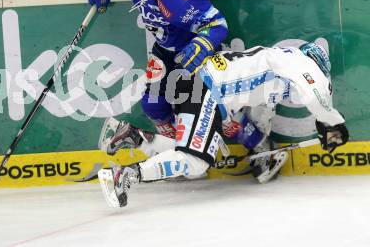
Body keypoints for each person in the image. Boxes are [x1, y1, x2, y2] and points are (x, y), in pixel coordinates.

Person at [98, 42, 349, 207]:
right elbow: (315, 95)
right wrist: (334, 124)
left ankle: (135, 137)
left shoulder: (276, 67)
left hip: (197, 84)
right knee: (195, 162)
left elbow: (262, 109)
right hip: (208, 90)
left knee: (190, 150)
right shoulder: (301, 63)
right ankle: (126, 174)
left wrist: (242, 130)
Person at [88, 0, 229, 140]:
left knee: (221, 110)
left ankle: (256, 141)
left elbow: (218, 24)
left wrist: (203, 43)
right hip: (165, 49)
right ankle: (178, 146)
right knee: (153, 106)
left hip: (193, 52)